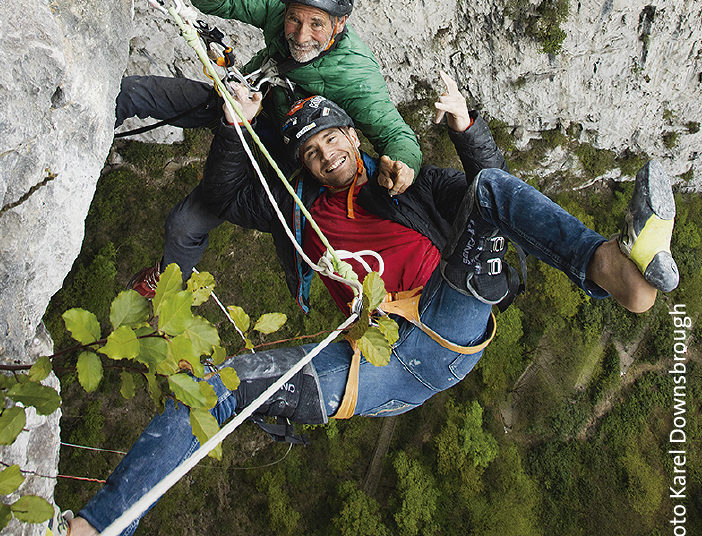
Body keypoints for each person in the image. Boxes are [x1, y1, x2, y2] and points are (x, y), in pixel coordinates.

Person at [49, 73, 678, 536]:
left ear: (353, 134)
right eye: (313, 155)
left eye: (332, 141)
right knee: (221, 386)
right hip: (373, 366)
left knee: (487, 192)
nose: (327, 157)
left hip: (441, 321)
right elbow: (220, 193)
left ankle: (610, 268)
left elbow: (499, 192)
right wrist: (232, 128)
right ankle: (99, 527)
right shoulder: (298, 215)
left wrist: (466, 127)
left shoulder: (411, 182)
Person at [120, 0, 422, 293]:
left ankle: (167, 283)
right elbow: (214, 1)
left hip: (289, 156)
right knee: (134, 92)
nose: (301, 34)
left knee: (183, 225)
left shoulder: (355, 76)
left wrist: (403, 163)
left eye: (316, 24)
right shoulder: (280, 9)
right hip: (246, 102)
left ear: (340, 23)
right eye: (295, 19)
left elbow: (395, 134)